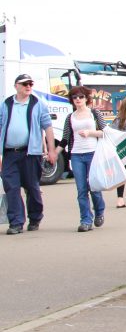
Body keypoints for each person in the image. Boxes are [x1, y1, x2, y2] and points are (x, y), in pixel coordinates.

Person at [0, 73, 58, 234]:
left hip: (30, 153)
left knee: (32, 187)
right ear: (16, 86)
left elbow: (48, 128)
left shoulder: (38, 104)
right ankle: (16, 222)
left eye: (30, 84)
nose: (28, 87)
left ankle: (35, 217)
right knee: (11, 187)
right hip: (10, 153)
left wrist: (52, 150)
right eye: (25, 84)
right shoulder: (6, 104)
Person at [59, 86, 107, 232]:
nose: (78, 99)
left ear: (86, 98)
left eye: (80, 97)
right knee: (81, 189)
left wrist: (90, 132)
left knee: (94, 187)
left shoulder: (94, 113)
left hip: (93, 153)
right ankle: (86, 220)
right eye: (74, 97)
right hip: (76, 155)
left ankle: (99, 211)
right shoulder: (70, 117)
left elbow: (105, 132)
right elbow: (65, 138)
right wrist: (54, 153)